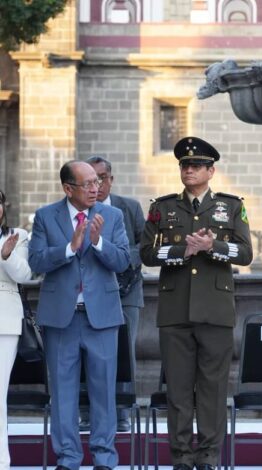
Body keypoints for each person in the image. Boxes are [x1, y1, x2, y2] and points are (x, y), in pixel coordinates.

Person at [140, 136, 252, 470]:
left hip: (215, 311)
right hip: (175, 312)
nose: (189, 170)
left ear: (211, 171)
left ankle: (208, 456)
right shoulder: (163, 207)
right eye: (185, 165)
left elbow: (245, 254)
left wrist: (213, 245)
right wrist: (181, 251)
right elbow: (146, 253)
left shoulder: (231, 206)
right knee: (177, 390)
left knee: (212, 390)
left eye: (197, 165)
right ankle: (181, 458)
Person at [28, 161, 130, 470]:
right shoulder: (46, 216)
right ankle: (68, 458)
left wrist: (98, 242)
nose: (95, 188)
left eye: (97, 182)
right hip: (62, 318)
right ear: (68, 188)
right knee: (63, 392)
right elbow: (36, 260)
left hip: (101, 317)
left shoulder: (112, 215)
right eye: (87, 183)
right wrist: (68, 249)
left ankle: (103, 458)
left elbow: (124, 260)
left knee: (103, 392)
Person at [77, 156, 144, 433]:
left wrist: (118, 258)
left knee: (123, 352)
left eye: (102, 177)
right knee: (83, 349)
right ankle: (86, 412)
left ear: (111, 180)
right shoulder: (76, 211)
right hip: (87, 292)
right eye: (91, 179)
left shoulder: (129, 208)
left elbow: (146, 246)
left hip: (125, 291)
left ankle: (121, 412)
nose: (98, 184)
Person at [0, 189, 33, 470]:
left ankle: (1, 460)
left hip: (4, 320)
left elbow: (25, 275)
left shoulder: (17, 235)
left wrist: (7, 255)